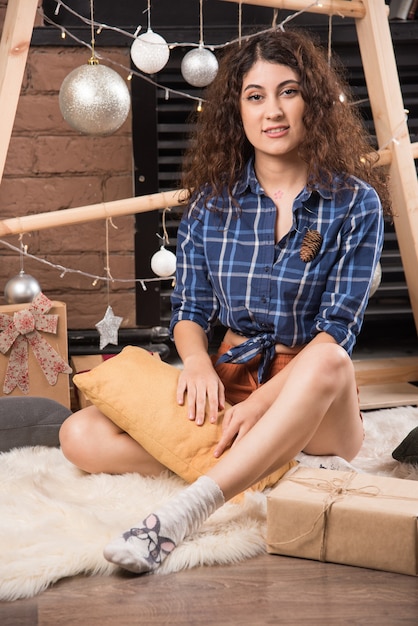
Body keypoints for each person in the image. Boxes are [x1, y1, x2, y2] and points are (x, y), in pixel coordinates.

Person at [59, 28, 391, 574]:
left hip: (314, 397)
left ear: (312, 100)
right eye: (255, 96)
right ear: (236, 111)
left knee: (329, 357)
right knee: (80, 434)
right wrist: (196, 364)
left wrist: (260, 408)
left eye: (289, 91)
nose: (273, 111)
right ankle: (272, 466)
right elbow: (190, 312)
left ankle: (185, 512)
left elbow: (337, 333)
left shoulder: (355, 202)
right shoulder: (211, 205)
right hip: (229, 378)